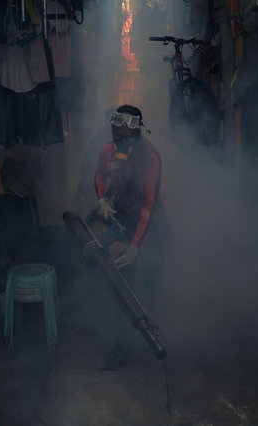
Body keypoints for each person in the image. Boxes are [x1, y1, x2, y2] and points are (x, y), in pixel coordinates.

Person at [93, 104, 171, 370]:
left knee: (151, 289)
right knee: (122, 292)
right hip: (126, 224)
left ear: (137, 135)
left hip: (153, 229)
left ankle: (153, 340)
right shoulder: (107, 151)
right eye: (118, 136)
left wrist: (137, 246)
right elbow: (99, 176)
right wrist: (101, 198)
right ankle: (122, 346)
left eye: (127, 137)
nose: (121, 142)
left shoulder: (151, 158)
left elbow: (149, 208)